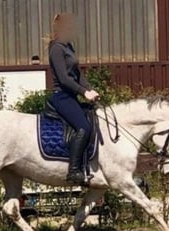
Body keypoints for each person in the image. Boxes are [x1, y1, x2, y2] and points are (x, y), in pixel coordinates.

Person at [48, 13, 100, 186]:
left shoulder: (68, 46)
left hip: (71, 95)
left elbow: (78, 74)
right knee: (83, 127)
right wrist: (83, 92)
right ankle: (74, 171)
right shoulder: (56, 48)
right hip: (61, 96)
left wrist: (90, 89)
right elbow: (64, 78)